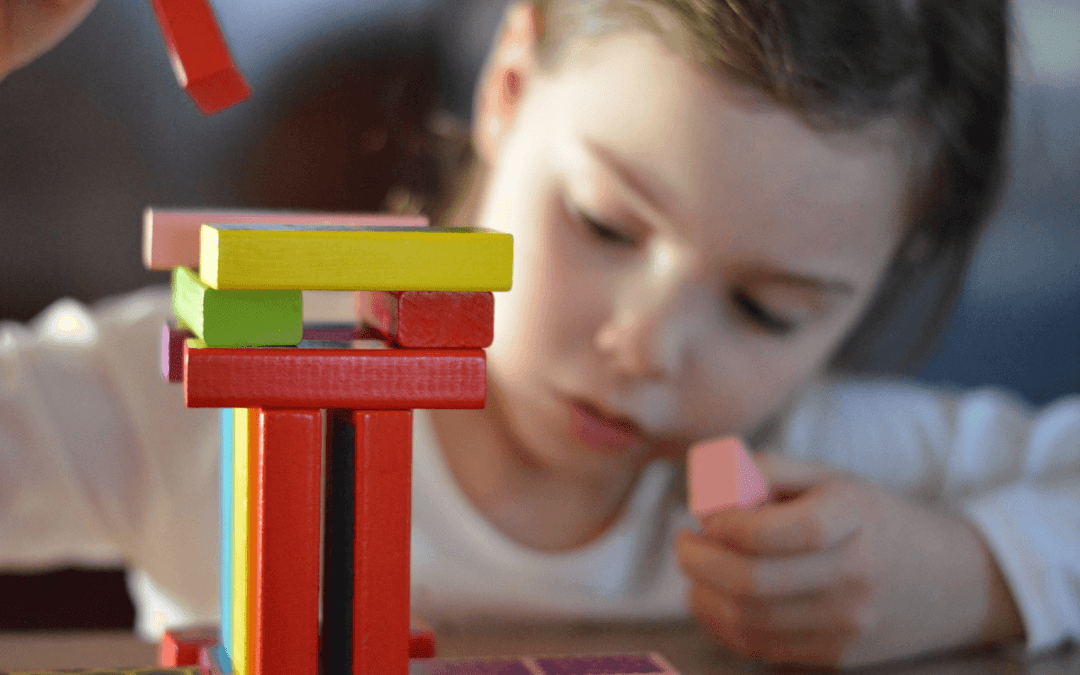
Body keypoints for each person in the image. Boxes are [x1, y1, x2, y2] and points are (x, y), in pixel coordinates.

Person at [1, 0, 1077, 668]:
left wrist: (970, 571)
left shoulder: (828, 472)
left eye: (768, 308)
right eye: (605, 225)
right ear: (509, 85)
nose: (648, 346)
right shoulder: (208, 395)